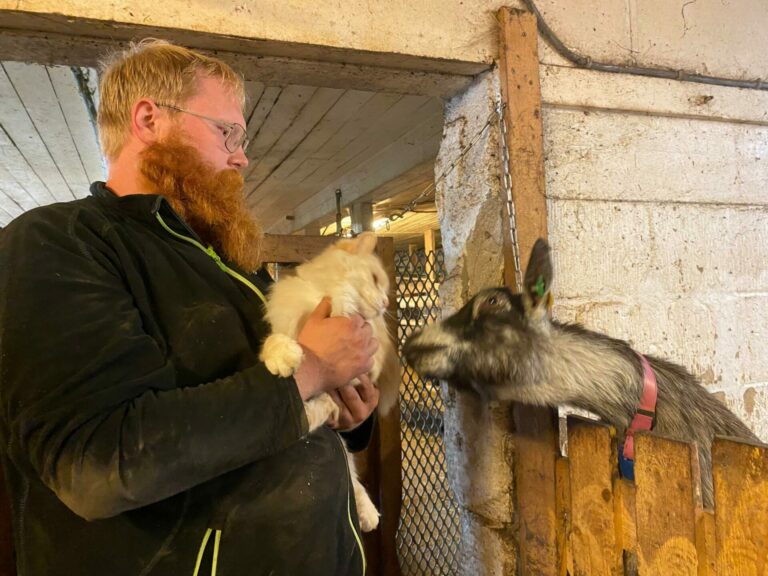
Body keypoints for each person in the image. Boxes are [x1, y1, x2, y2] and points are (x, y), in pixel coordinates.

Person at [0, 39, 381, 576]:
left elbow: (271, 408)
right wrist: (314, 368)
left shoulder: (232, 265)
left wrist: (345, 412)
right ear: (149, 119)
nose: (241, 156)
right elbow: (98, 462)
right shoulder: (60, 241)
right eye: (227, 132)